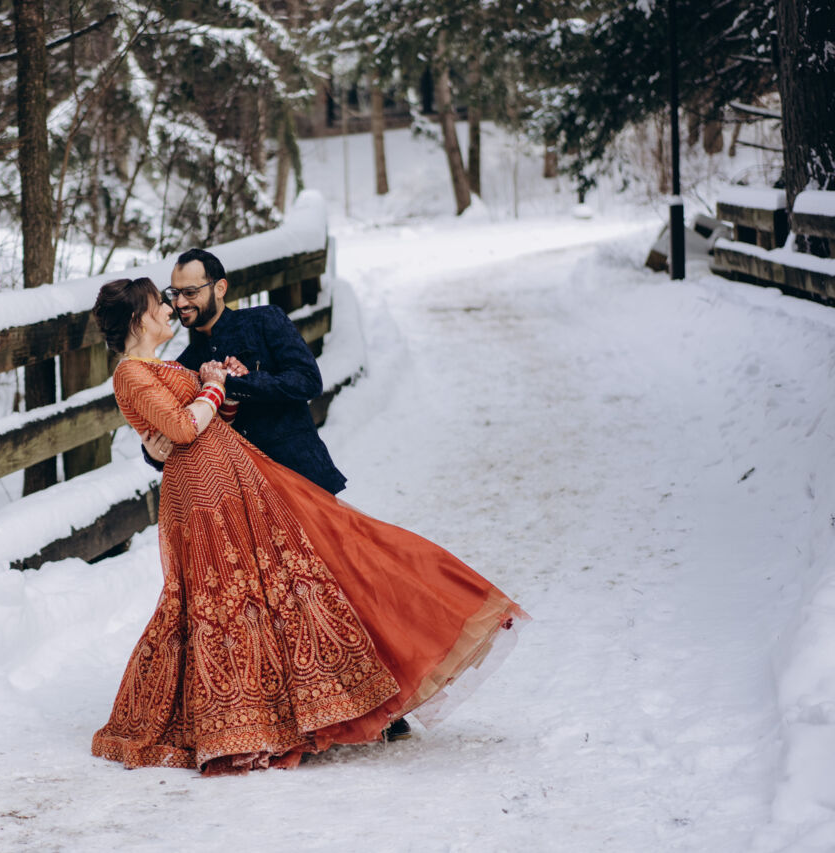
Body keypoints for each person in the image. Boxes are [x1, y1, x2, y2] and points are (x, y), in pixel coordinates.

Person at [89, 276, 528, 776]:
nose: (170, 308)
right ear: (138, 318)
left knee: (276, 588)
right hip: (203, 494)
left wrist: (225, 385)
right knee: (225, 597)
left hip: (236, 478)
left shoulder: (166, 365)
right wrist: (209, 389)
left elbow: (209, 419)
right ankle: (238, 718)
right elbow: (184, 428)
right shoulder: (130, 373)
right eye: (160, 303)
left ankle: (325, 704)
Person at [140, 248, 346, 496]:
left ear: (220, 288)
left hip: (302, 479)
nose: (180, 303)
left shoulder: (265, 321)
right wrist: (154, 455)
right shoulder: (184, 365)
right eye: (175, 293)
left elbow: (308, 381)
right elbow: (181, 431)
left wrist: (234, 383)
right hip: (244, 498)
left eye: (190, 292)